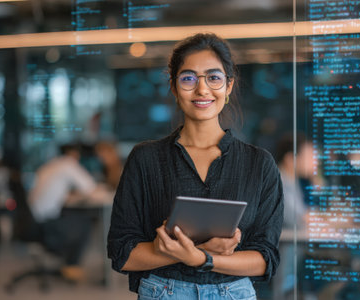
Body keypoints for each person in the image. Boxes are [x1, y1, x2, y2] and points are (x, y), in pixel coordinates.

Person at [107, 33, 284, 299]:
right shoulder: (145, 158)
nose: (202, 90)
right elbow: (123, 255)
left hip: (233, 293)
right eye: (188, 78)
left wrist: (200, 258)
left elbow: (265, 259)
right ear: (174, 87)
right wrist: (165, 250)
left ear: (229, 86)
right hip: (163, 292)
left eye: (214, 78)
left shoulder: (259, 163)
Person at [28, 143, 106, 281]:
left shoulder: (49, 165)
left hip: (32, 221)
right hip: (47, 223)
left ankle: (68, 264)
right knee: (85, 222)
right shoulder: (68, 164)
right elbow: (90, 189)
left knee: (73, 217)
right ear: (74, 153)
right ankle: (71, 266)